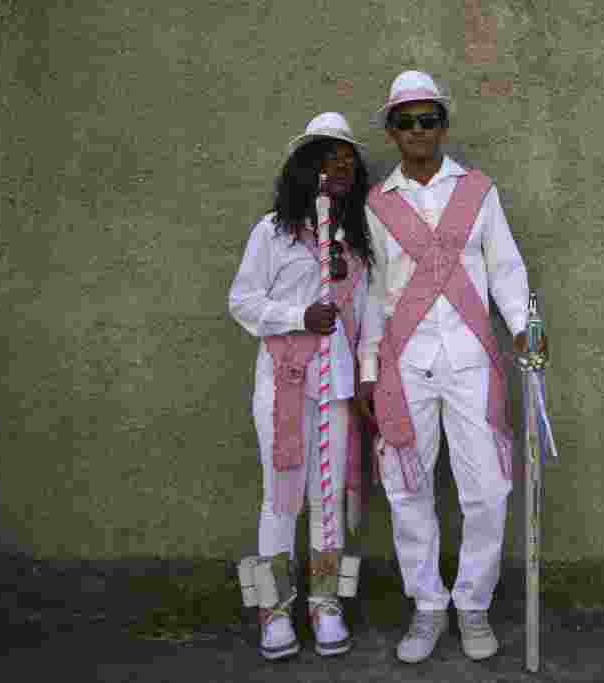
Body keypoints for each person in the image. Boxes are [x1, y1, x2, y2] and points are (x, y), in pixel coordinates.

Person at [356, 70, 546, 664]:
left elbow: (507, 269)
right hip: (404, 365)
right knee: (408, 488)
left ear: (444, 125)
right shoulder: (376, 205)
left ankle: (472, 604)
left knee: (487, 488)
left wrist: (525, 328)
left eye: (429, 118)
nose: (419, 130)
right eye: (406, 120)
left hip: (471, 361)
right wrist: (366, 367)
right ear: (391, 131)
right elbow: (369, 293)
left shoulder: (479, 192)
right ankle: (428, 606)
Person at [228, 112, 381, 661]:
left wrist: (368, 381)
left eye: (347, 160)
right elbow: (242, 302)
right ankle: (272, 610)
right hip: (285, 383)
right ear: (305, 169)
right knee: (280, 499)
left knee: (328, 498)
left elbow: (369, 324)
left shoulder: (357, 243)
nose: (339, 166)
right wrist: (298, 315)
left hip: (335, 386)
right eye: (328, 157)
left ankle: (325, 603)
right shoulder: (271, 232)